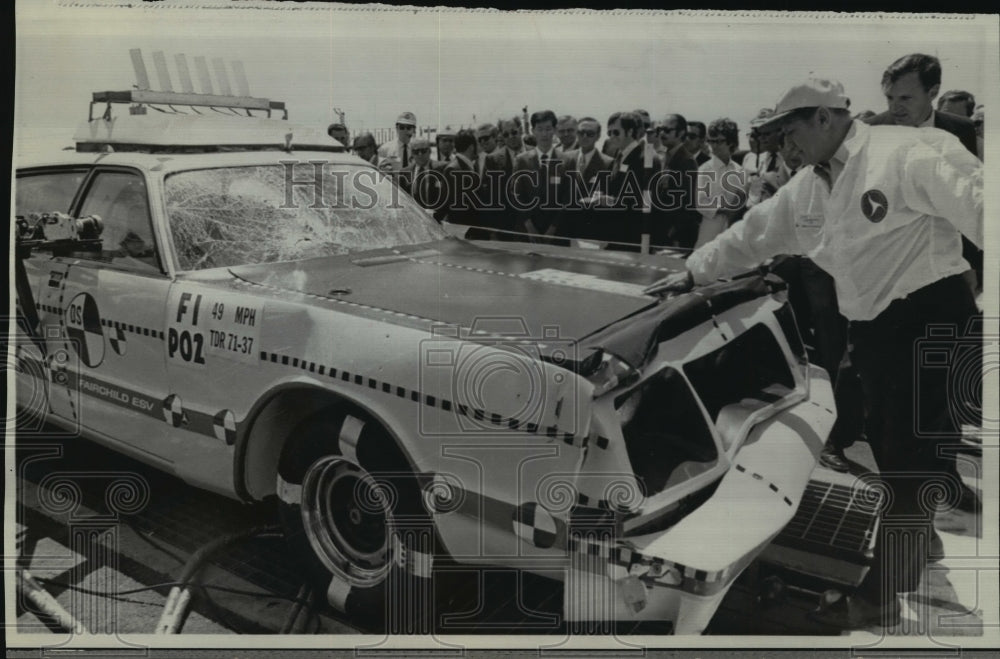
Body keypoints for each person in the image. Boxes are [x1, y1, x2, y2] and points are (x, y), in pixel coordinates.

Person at [645, 77, 983, 630]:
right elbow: (751, 236)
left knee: (909, 461)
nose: (784, 148)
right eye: (776, 138)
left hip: (931, 321)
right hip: (873, 333)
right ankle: (915, 545)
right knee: (898, 452)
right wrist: (689, 273)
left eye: (791, 131)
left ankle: (880, 597)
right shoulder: (807, 188)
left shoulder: (906, 151)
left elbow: (981, 207)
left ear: (826, 118)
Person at [513, 110, 572, 244]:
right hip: (527, 233)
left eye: (548, 129)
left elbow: (567, 199)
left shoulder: (567, 161)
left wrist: (552, 229)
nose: (544, 134)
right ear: (533, 131)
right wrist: (529, 226)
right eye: (540, 129)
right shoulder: (521, 160)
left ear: (555, 130)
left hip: (557, 234)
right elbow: (516, 195)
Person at [693, 117, 748, 248]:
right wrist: (725, 209)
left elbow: (742, 202)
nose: (714, 146)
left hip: (732, 231)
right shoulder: (705, 169)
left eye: (719, 141)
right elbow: (701, 203)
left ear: (730, 142)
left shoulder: (739, 170)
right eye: (711, 141)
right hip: (710, 230)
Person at [652, 113, 700, 249]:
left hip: (675, 238)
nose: (662, 133)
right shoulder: (665, 157)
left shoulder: (687, 161)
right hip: (661, 232)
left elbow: (687, 204)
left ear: (681, 133)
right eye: (659, 129)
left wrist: (673, 234)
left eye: (667, 130)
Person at [562, 116, 612, 240]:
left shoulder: (607, 163)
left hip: (591, 230)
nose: (584, 136)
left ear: (598, 136)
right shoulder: (564, 158)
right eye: (581, 132)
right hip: (564, 227)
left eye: (590, 133)